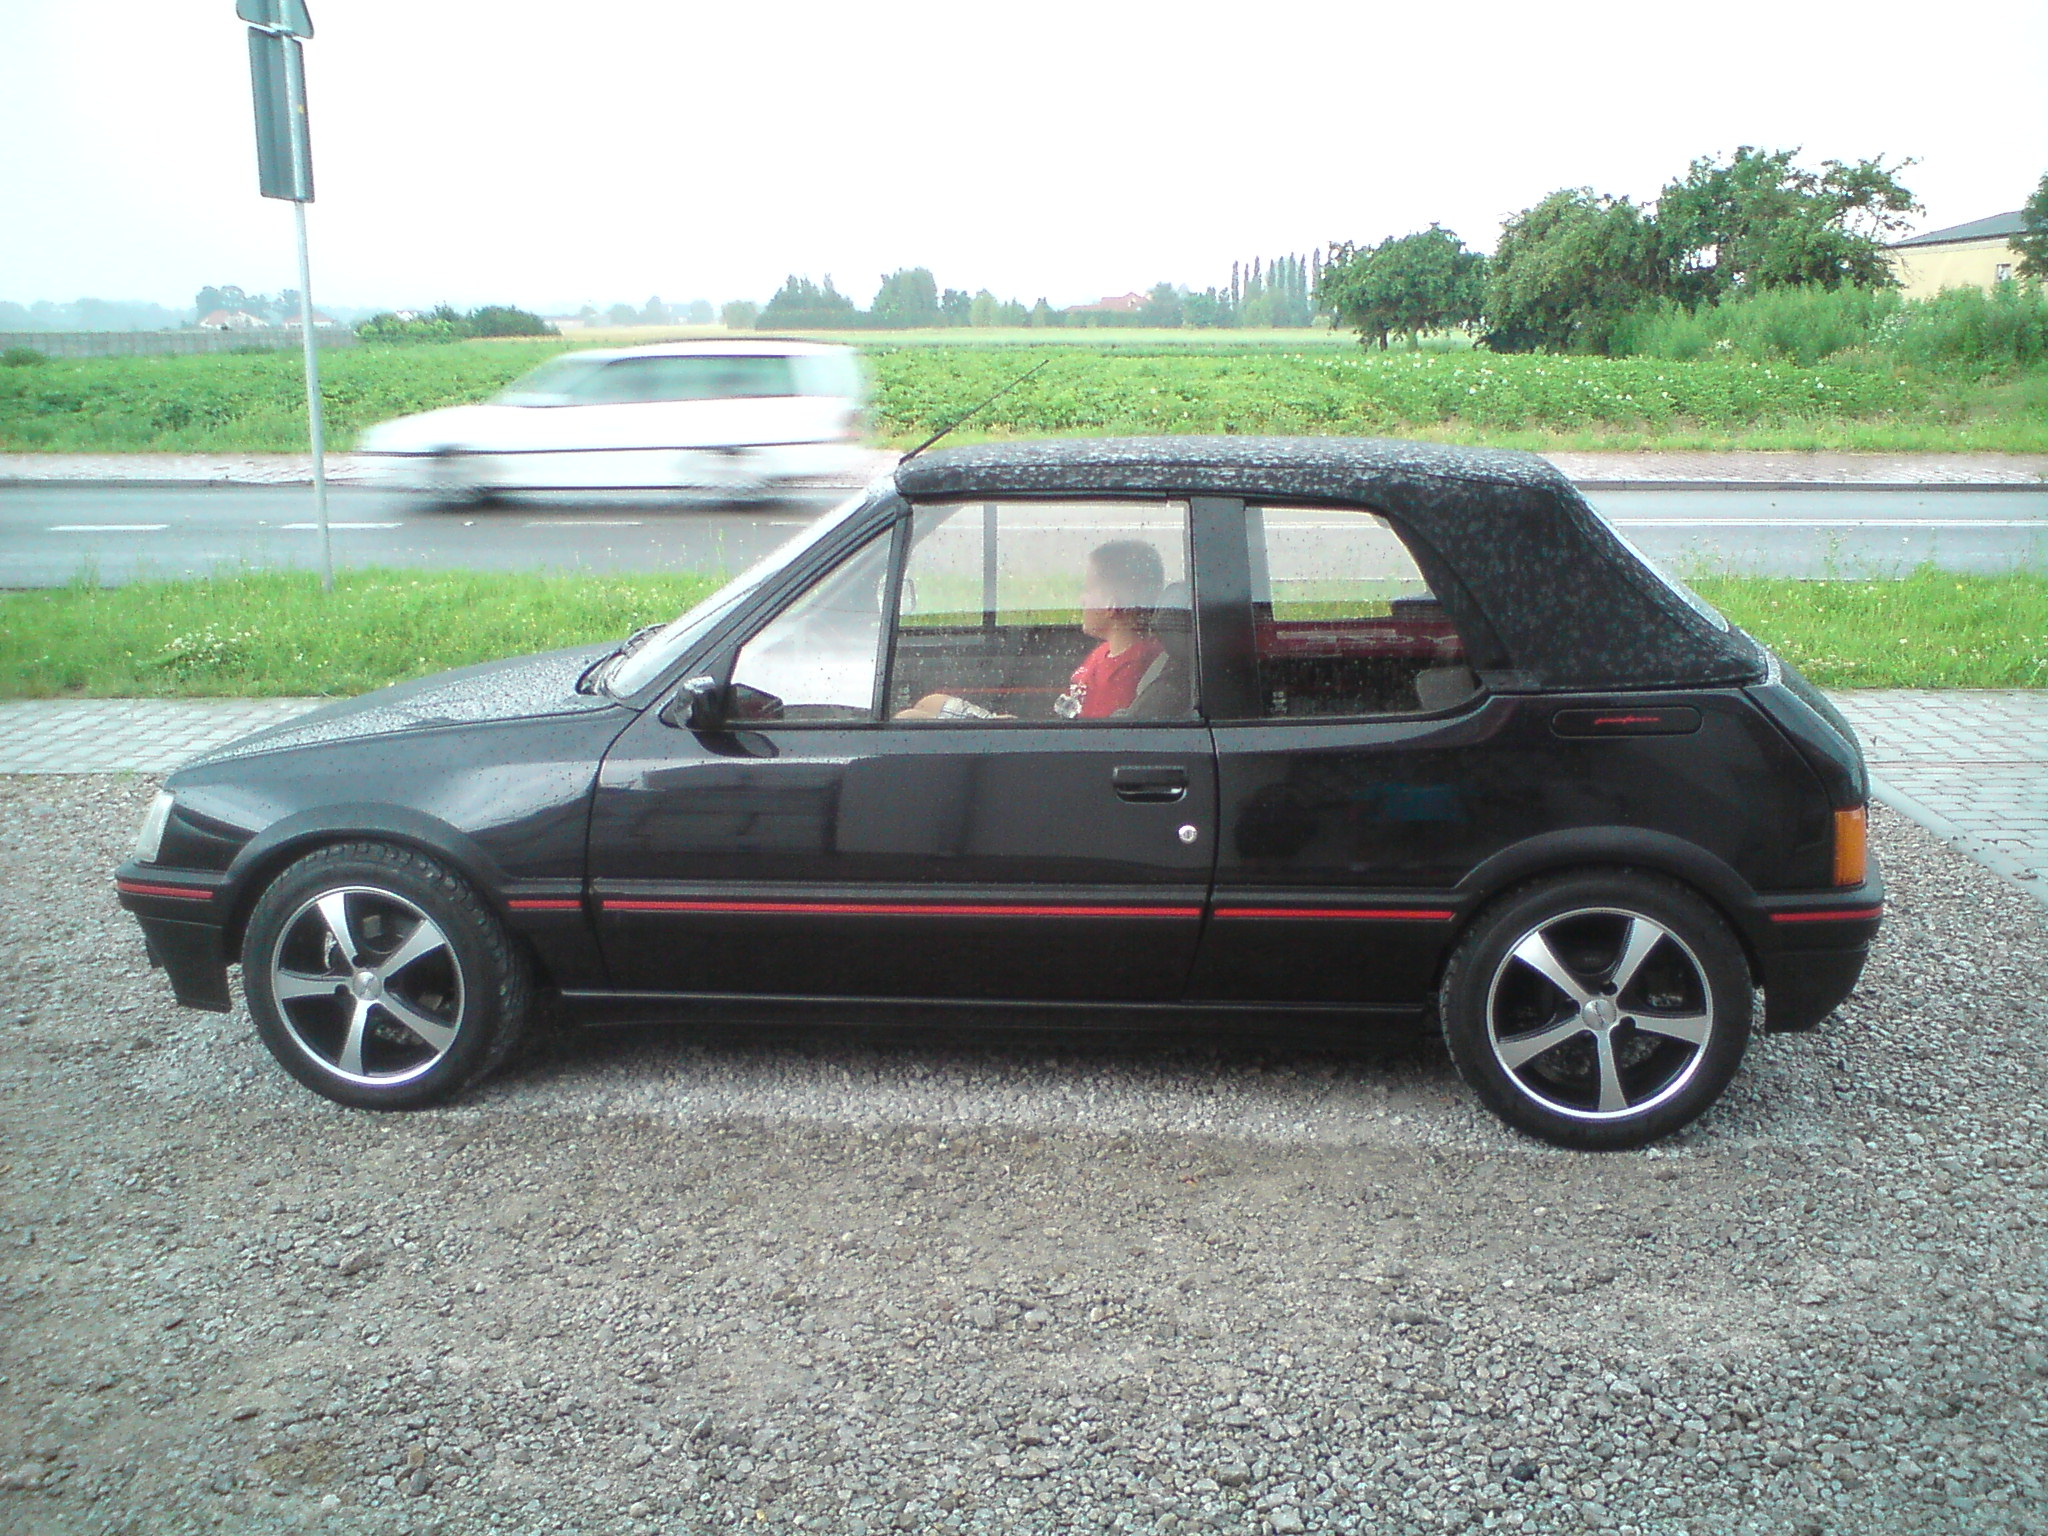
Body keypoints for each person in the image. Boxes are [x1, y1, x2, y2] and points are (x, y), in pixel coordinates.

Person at [896, 539, 1166, 721]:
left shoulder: (1128, 675)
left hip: (1054, 750)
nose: (1082, 599)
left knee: (908, 720)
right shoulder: (1108, 652)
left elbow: (1089, 740)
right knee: (932, 702)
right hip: (1047, 731)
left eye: (1088, 589)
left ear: (1111, 605)